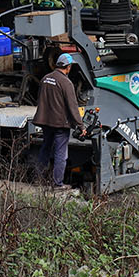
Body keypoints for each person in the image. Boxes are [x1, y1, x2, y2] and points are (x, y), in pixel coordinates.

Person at [33, 51, 81, 189]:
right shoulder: (66, 83)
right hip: (60, 124)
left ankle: (39, 180)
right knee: (61, 153)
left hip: (45, 122)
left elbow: (40, 99)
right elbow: (73, 106)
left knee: (45, 149)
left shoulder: (45, 79)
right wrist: (81, 125)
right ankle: (57, 184)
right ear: (68, 66)